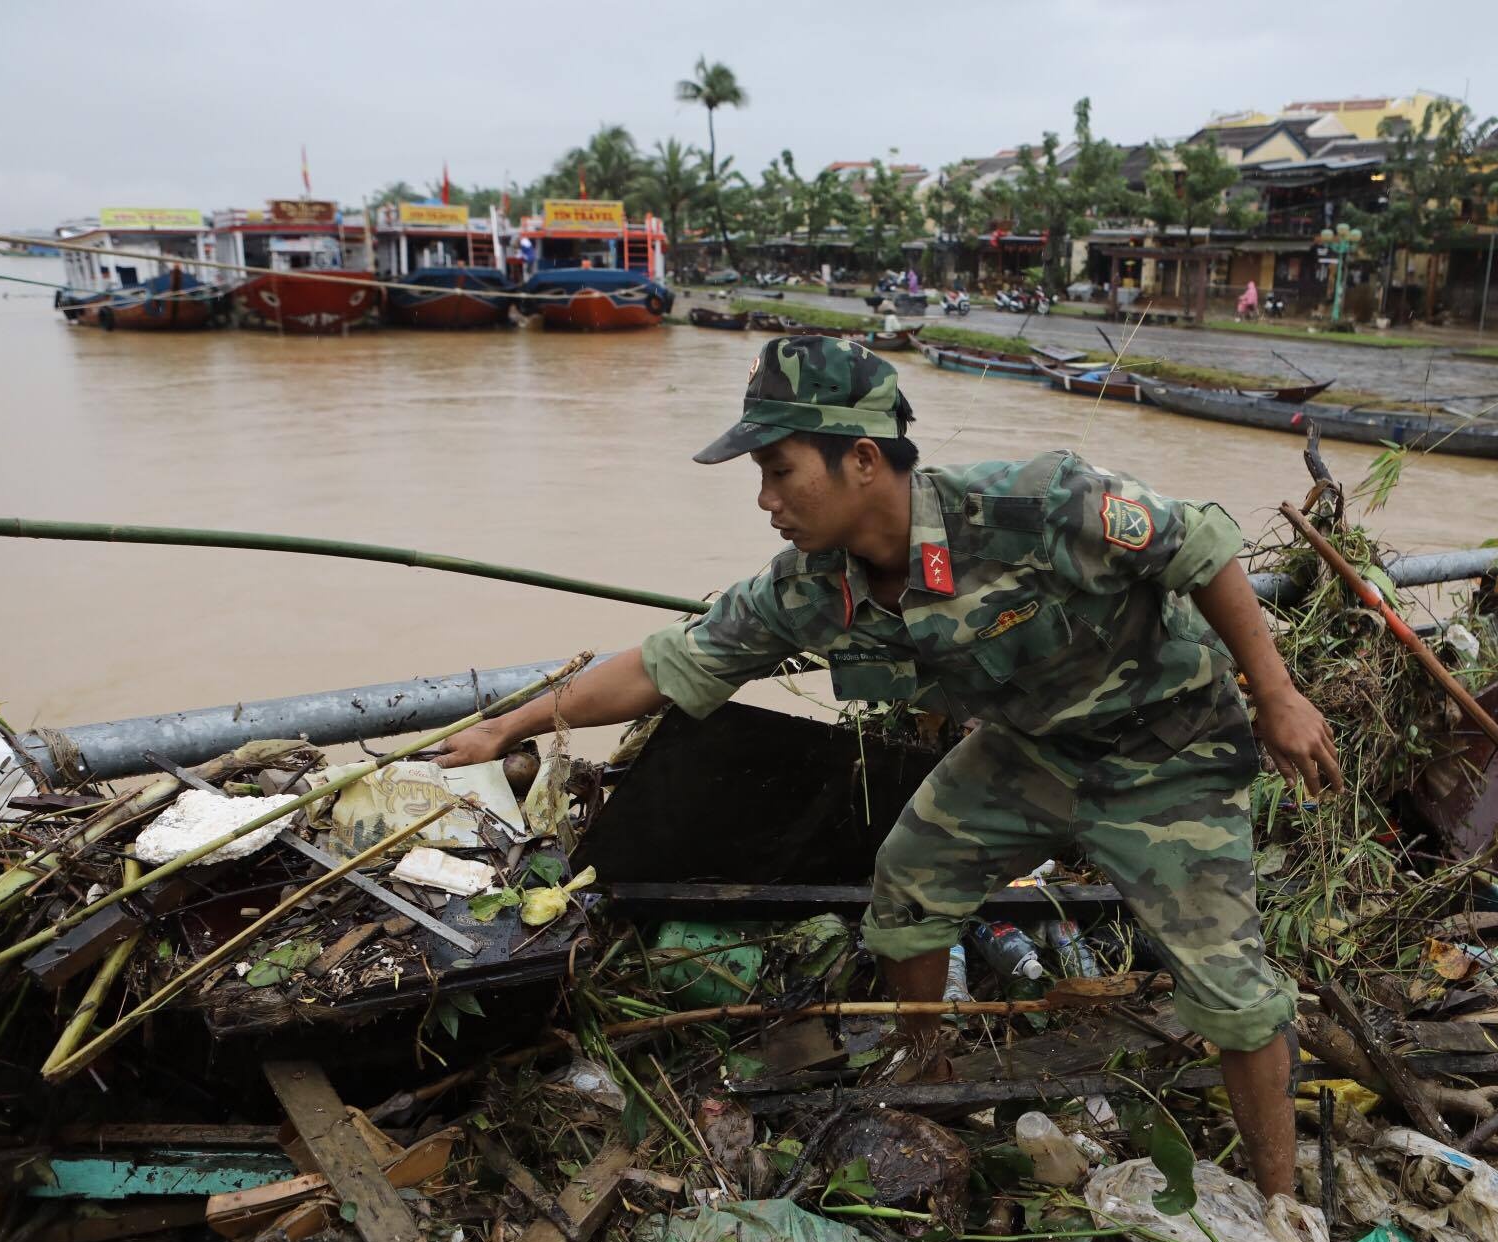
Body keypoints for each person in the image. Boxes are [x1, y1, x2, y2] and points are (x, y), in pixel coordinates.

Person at [436, 336, 1342, 1198]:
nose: (766, 501)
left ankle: (1279, 1204)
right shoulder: (807, 585)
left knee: (1231, 994)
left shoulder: (1038, 501)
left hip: (1166, 749)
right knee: (908, 887)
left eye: (779, 470)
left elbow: (1206, 550)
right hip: (1030, 750)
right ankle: (930, 1074)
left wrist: (1278, 696)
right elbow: (666, 664)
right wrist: (506, 726)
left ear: (862, 460)